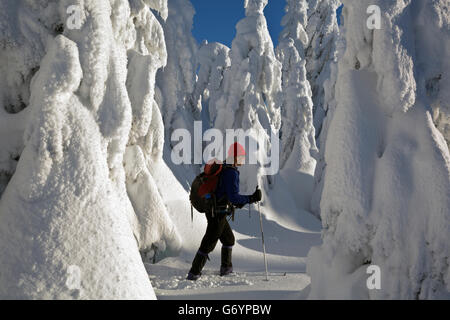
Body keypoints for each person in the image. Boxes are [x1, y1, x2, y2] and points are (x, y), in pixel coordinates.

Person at [186, 142, 262, 280]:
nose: (243, 159)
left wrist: (237, 202)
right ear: (236, 156)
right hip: (218, 213)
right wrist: (252, 198)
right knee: (208, 243)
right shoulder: (231, 173)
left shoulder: (225, 169)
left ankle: (226, 268)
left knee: (228, 239)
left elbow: (225, 194)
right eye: (242, 156)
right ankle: (194, 273)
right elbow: (234, 197)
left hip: (215, 210)